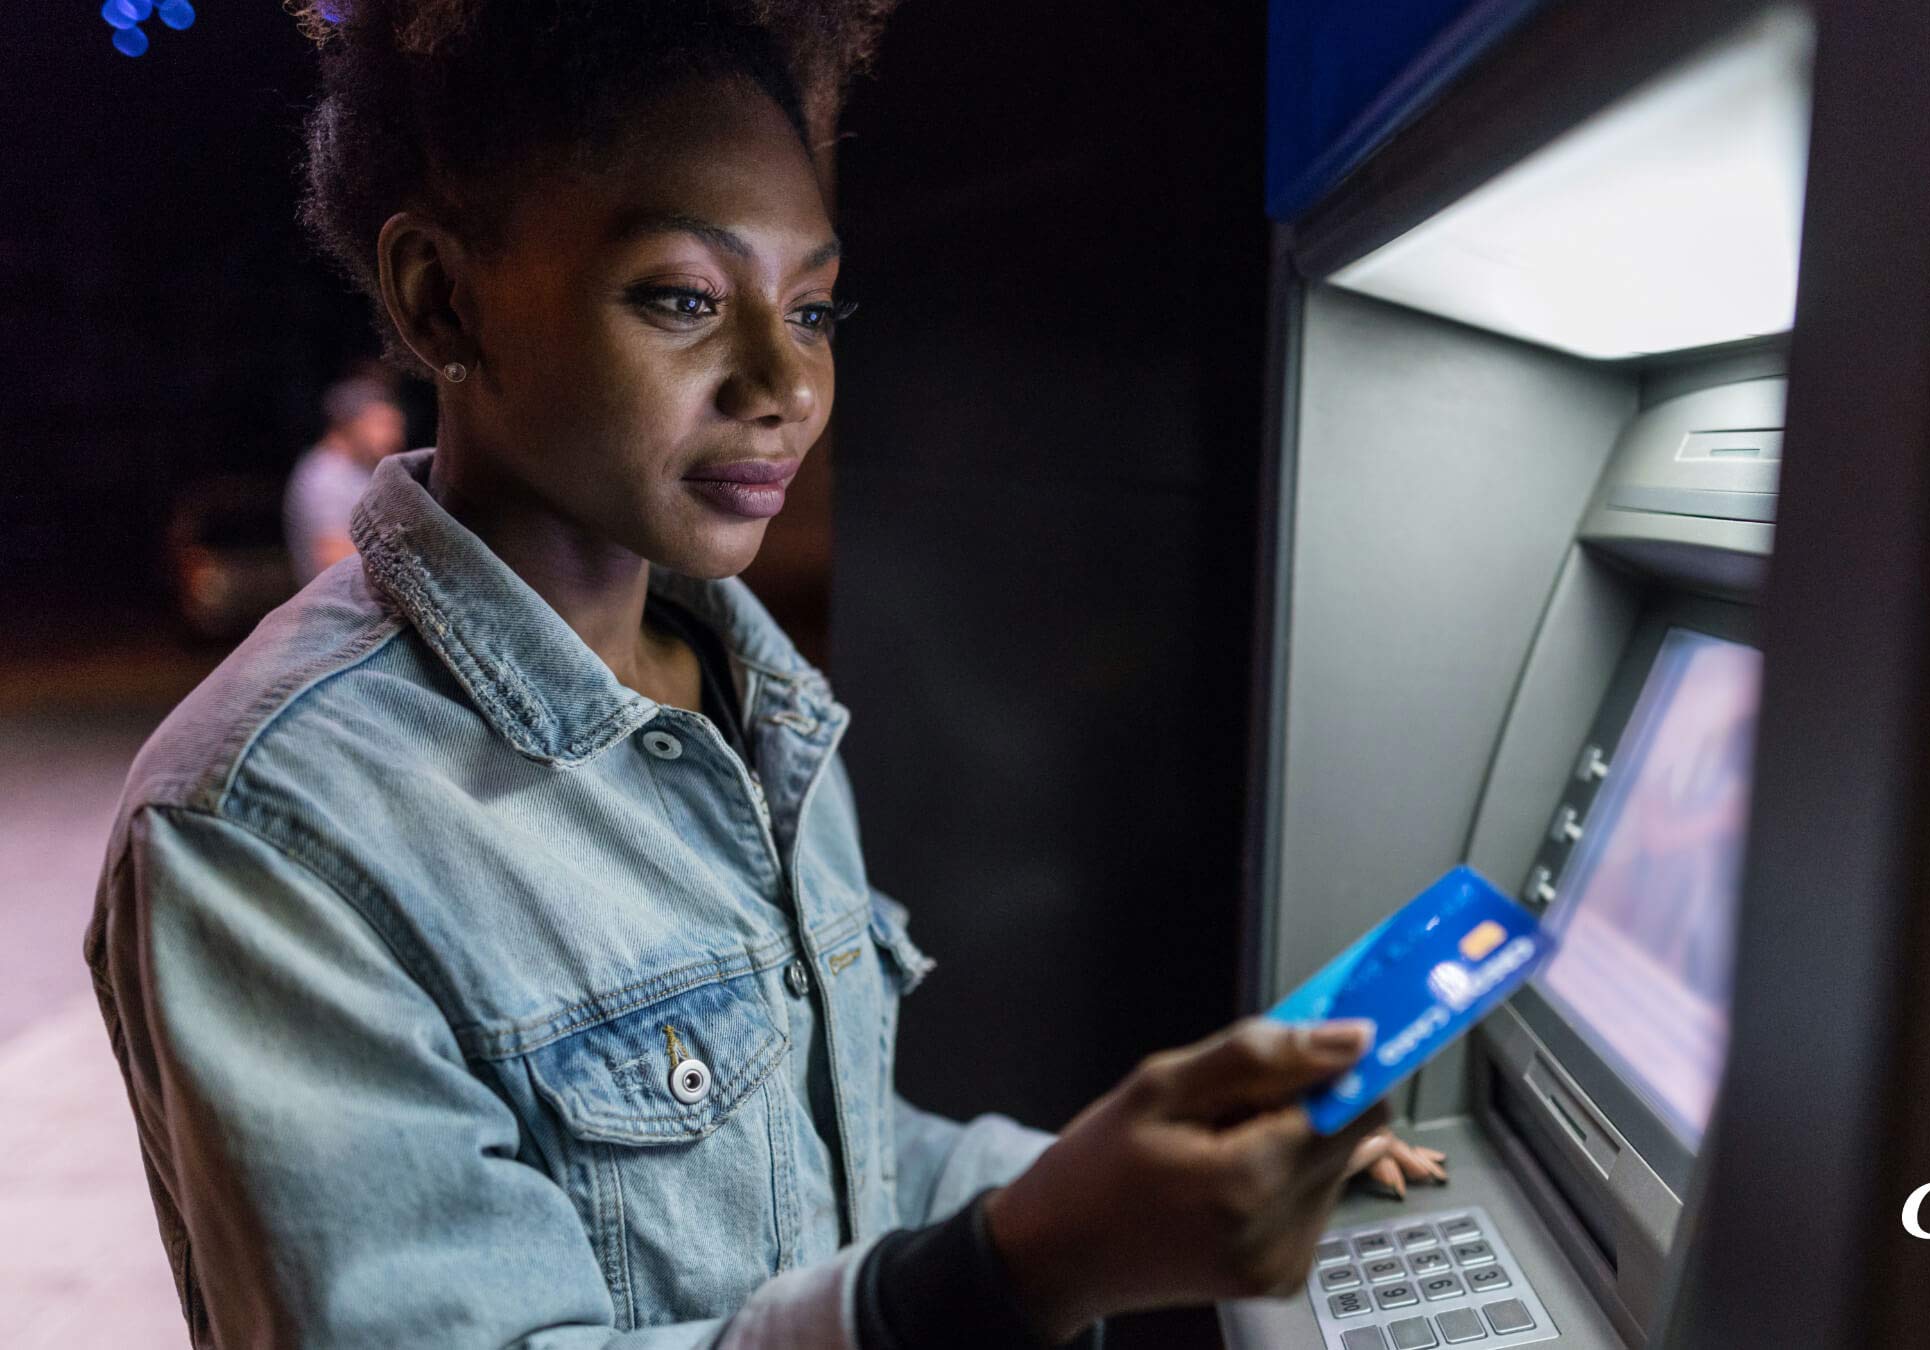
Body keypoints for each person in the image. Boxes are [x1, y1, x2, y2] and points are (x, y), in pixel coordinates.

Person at [84, 3, 1445, 1346]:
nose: (783, 381)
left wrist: (1146, 1179)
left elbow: (822, 1163)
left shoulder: (750, 686)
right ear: (441, 295)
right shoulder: (267, 824)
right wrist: (1021, 1266)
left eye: (813, 305)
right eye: (683, 296)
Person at [281, 373, 407, 585]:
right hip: (341, 610)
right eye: (381, 424)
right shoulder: (326, 477)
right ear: (350, 423)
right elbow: (332, 562)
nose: (395, 437)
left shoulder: (355, 469)